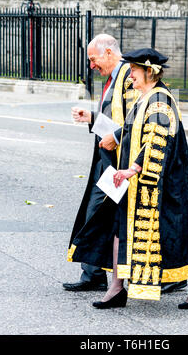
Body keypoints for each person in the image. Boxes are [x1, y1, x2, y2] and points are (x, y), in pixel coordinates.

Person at [70, 48, 188, 309]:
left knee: (173, 233)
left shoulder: (160, 101)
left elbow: (157, 141)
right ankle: (115, 288)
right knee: (117, 228)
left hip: (162, 184)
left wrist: (132, 169)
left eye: (134, 71)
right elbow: (132, 129)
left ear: (149, 71)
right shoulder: (144, 97)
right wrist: (112, 137)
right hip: (133, 181)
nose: (130, 76)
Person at [64, 34, 135, 292]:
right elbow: (116, 116)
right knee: (96, 213)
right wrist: (92, 117)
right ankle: (93, 273)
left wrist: (116, 136)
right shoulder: (114, 77)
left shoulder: (129, 76)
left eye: (94, 59)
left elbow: (138, 118)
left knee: (130, 217)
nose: (92, 66)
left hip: (122, 162)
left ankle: (175, 274)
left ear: (107, 53)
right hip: (107, 160)